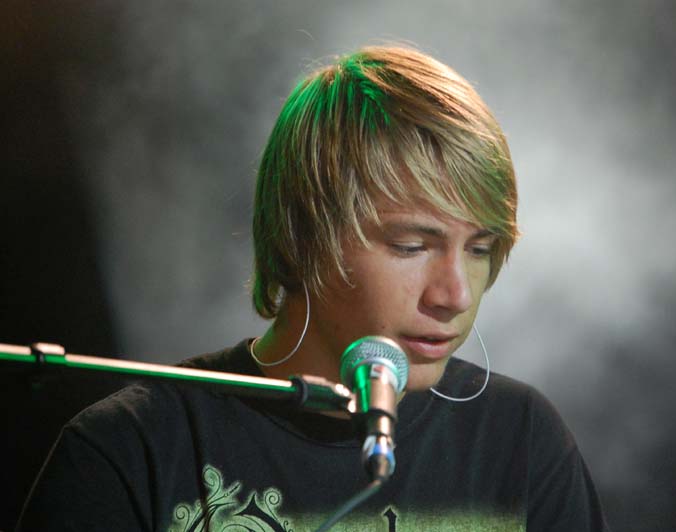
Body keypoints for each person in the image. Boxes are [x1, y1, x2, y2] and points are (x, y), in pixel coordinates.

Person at [17, 45, 609, 531]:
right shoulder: (129, 450)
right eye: (411, 245)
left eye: (478, 249)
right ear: (303, 237)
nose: (454, 295)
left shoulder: (520, 438)